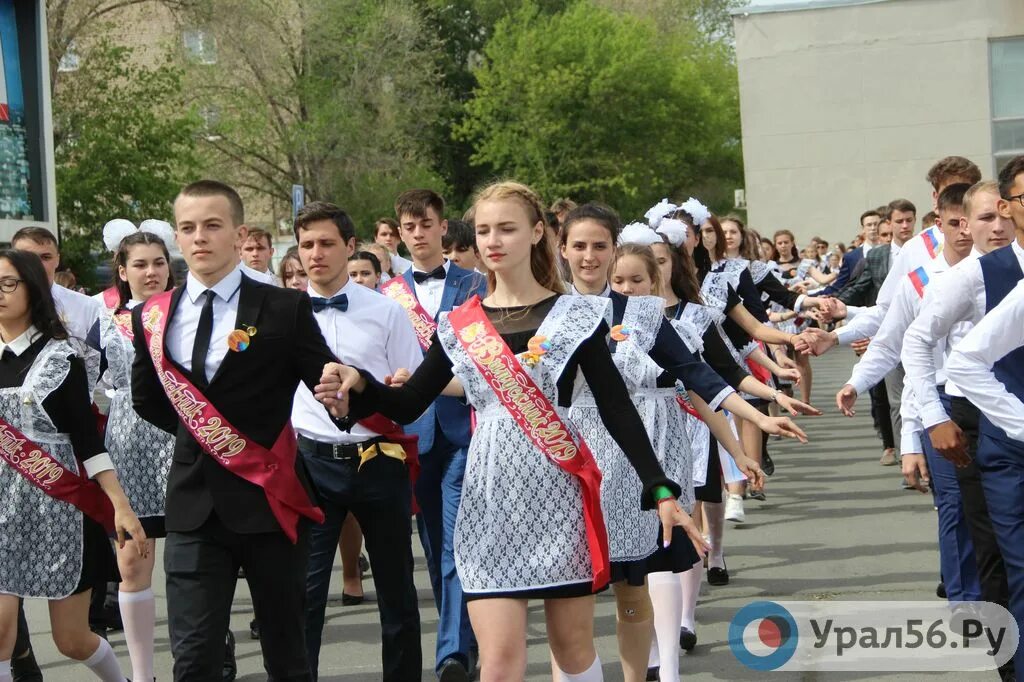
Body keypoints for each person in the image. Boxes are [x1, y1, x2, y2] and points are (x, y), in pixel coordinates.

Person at [316, 180, 709, 682]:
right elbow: (410, 400)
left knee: (571, 651)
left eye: (506, 228)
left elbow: (615, 408)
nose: (493, 240)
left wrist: (660, 488)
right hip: (488, 499)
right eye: (483, 230)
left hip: (560, 498)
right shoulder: (459, 324)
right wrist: (361, 386)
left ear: (537, 232)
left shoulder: (577, 315)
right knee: (499, 664)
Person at [130, 179, 342, 681]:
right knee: (195, 656)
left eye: (212, 226)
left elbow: (326, 385)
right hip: (193, 503)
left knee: (286, 653)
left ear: (237, 233)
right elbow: (148, 401)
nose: (199, 237)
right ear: (177, 239)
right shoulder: (152, 316)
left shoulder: (284, 308)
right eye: (187, 228)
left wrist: (350, 390)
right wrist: (204, 441)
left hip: (270, 500)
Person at [0, 249, 146, 682]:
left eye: (9, 283)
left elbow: (87, 440)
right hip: (0, 512)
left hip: (57, 510)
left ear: (34, 289)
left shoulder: (64, 356)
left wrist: (118, 504)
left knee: (72, 639)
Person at [291, 201, 423, 681]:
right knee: (303, 594)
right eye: (307, 245)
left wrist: (375, 387)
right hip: (310, 464)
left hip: (377, 458)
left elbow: (408, 398)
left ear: (350, 247)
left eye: (327, 243)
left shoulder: (387, 312)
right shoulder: (281, 314)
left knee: (396, 592)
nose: (316, 254)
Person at [834, 184, 982, 605]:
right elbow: (889, 341)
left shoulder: (994, 270)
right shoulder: (919, 280)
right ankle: (965, 599)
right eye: (954, 223)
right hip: (939, 401)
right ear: (939, 225)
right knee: (953, 503)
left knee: (992, 503)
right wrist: (855, 383)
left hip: (990, 400)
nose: (964, 232)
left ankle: (998, 589)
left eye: (969, 222)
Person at [901, 179, 1017, 682]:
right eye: (986, 218)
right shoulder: (968, 276)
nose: (997, 226)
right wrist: (931, 419)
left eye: (1001, 216)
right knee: (993, 549)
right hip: (972, 418)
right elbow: (913, 342)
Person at [382, 189, 485, 681]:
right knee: (433, 542)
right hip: (412, 433)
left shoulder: (475, 284)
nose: (418, 234)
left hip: (465, 425)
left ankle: (452, 653)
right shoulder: (386, 295)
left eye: (426, 224)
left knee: (452, 543)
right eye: (409, 227)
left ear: (443, 228)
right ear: (399, 233)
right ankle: (465, 634)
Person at [85, 223, 178, 682]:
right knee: (132, 563)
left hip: (190, 443)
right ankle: (143, 675)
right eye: (139, 264)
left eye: (159, 262)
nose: (151, 272)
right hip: (128, 446)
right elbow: (80, 388)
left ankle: (209, 656)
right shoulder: (102, 322)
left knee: (199, 560)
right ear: (122, 270)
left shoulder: (190, 313)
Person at [12, 227, 103, 342]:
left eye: (46, 257)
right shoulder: (4, 309)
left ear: (57, 260)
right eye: (28, 258)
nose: (38, 265)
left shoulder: (88, 308)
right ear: (13, 262)